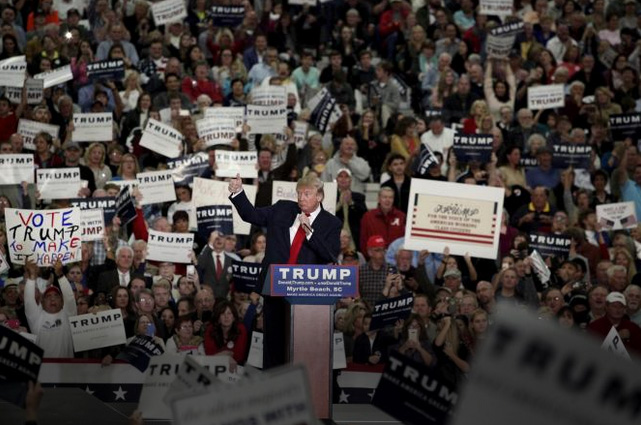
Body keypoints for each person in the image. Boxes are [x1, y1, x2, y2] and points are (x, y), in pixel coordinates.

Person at [228, 173, 341, 368]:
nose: (301, 198)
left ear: (319, 196)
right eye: (299, 194)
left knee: (300, 344)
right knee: (273, 343)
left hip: (306, 292)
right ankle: (274, 387)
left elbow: (329, 254)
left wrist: (309, 233)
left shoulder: (331, 223)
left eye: (307, 194)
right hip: (275, 285)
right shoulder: (282, 209)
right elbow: (251, 215)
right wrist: (238, 192)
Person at [24, 260, 77, 357]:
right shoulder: (36, 318)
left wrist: (60, 275)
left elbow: (69, 297)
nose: (52, 299)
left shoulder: (68, 316)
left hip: (66, 369)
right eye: (48, 296)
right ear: (42, 302)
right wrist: (31, 277)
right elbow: (28, 300)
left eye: (56, 296)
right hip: (42, 369)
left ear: (62, 301)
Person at [204, 300, 248, 367]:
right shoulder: (210, 329)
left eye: (229, 313)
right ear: (218, 318)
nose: (226, 317)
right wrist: (227, 355)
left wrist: (220, 354)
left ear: (233, 317)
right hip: (213, 367)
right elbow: (210, 355)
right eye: (222, 314)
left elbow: (239, 356)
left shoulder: (241, 329)